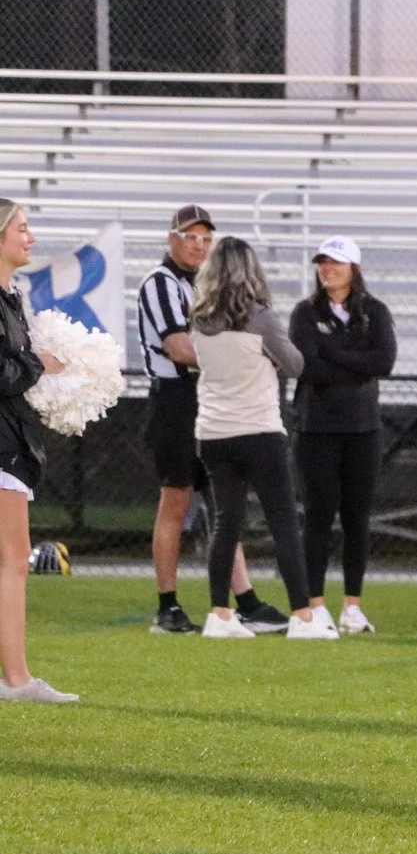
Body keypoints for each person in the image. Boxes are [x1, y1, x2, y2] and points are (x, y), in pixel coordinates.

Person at [136, 205, 290, 635]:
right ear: (172, 238)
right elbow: (178, 347)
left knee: (224, 505)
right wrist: (238, 363)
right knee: (176, 500)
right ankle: (167, 604)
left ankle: (245, 600)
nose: (199, 245)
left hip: (212, 395)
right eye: (191, 237)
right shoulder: (160, 283)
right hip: (176, 400)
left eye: (206, 238)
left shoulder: (209, 286)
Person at [189, 237, 333, 641]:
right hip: (259, 430)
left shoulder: (198, 319)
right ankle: (303, 616)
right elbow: (296, 364)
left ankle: (220, 613)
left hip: (214, 432)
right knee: (283, 522)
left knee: (226, 523)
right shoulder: (261, 318)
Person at [290, 236, 397, 635]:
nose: (327, 269)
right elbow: (308, 366)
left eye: (335, 262)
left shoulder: (375, 312)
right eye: (323, 262)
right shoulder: (305, 313)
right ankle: (315, 603)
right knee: (318, 516)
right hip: (316, 428)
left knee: (357, 518)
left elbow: (384, 361)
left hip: (363, 428)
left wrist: (333, 353)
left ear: (354, 268)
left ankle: (353, 605)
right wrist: (356, 365)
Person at [0, 201, 78, 703]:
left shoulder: (11, 298)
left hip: (10, 439)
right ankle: (17, 679)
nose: (31, 238)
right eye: (22, 229)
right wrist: (39, 363)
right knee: (13, 559)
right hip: (2, 446)